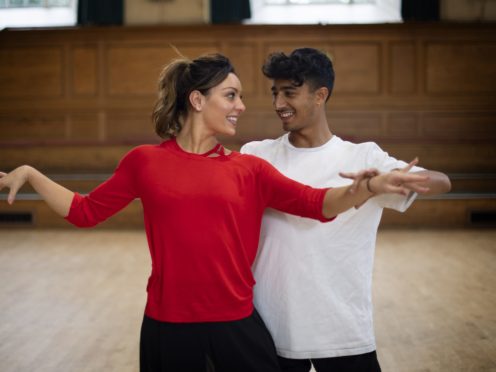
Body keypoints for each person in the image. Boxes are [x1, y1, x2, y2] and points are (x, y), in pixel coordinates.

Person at [0, 53, 430, 372]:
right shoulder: (143, 162)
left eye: (241, 96)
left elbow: (317, 204)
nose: (242, 106)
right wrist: (32, 174)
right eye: (231, 95)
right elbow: (84, 211)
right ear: (197, 100)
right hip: (167, 329)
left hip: (239, 328)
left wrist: (369, 186)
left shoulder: (250, 168)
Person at [241, 48, 451, 372]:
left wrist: (395, 179)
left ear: (320, 95)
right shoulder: (256, 154)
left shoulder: (363, 157)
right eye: (275, 93)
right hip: (269, 327)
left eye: (290, 93)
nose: (278, 103)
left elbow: (443, 182)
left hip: (340, 329)